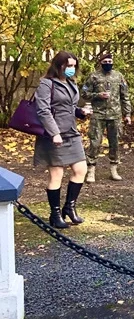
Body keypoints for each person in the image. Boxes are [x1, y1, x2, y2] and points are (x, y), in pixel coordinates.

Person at [34, 51, 92, 228]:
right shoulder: (46, 84)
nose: (72, 69)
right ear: (59, 66)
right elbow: (43, 110)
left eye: (74, 66)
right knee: (56, 174)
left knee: (81, 169)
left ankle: (70, 207)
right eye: (68, 66)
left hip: (71, 133)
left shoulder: (71, 83)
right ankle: (55, 214)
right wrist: (54, 133)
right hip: (54, 136)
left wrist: (80, 112)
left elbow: (68, 107)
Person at [82, 52, 132, 183]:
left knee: (115, 143)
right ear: (100, 62)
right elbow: (84, 93)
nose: (108, 64)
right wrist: (98, 95)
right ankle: (91, 170)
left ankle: (114, 169)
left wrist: (127, 114)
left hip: (115, 115)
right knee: (95, 142)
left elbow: (125, 96)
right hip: (98, 115)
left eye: (110, 62)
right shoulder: (93, 76)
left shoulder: (118, 76)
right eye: (106, 62)